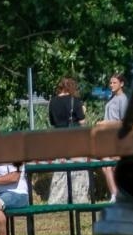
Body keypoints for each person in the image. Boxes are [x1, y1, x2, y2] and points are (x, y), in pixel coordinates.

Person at [46, 76, 91, 204]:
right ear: (71, 88)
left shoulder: (52, 102)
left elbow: (52, 122)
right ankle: (79, 199)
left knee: (60, 168)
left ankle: (57, 199)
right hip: (74, 138)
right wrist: (83, 111)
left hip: (59, 138)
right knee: (79, 168)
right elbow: (82, 122)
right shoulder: (75, 101)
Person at [100, 74, 127, 197]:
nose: (111, 85)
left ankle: (118, 194)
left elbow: (123, 122)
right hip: (107, 136)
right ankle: (115, 194)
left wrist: (107, 123)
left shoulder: (123, 99)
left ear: (121, 84)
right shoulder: (112, 98)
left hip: (116, 136)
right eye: (110, 83)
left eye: (114, 82)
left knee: (112, 166)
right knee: (106, 165)